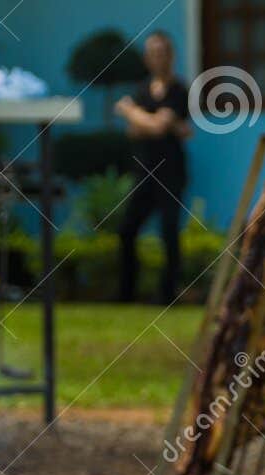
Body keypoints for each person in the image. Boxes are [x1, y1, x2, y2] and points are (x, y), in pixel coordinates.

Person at [114, 31, 193, 304]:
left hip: (171, 172)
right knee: (127, 230)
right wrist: (158, 124)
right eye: (152, 53)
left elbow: (158, 127)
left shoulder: (180, 90)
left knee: (169, 231)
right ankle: (126, 294)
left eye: (162, 52)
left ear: (171, 56)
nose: (157, 58)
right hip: (144, 170)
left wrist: (129, 110)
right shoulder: (142, 89)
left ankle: (168, 295)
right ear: (147, 58)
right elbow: (135, 132)